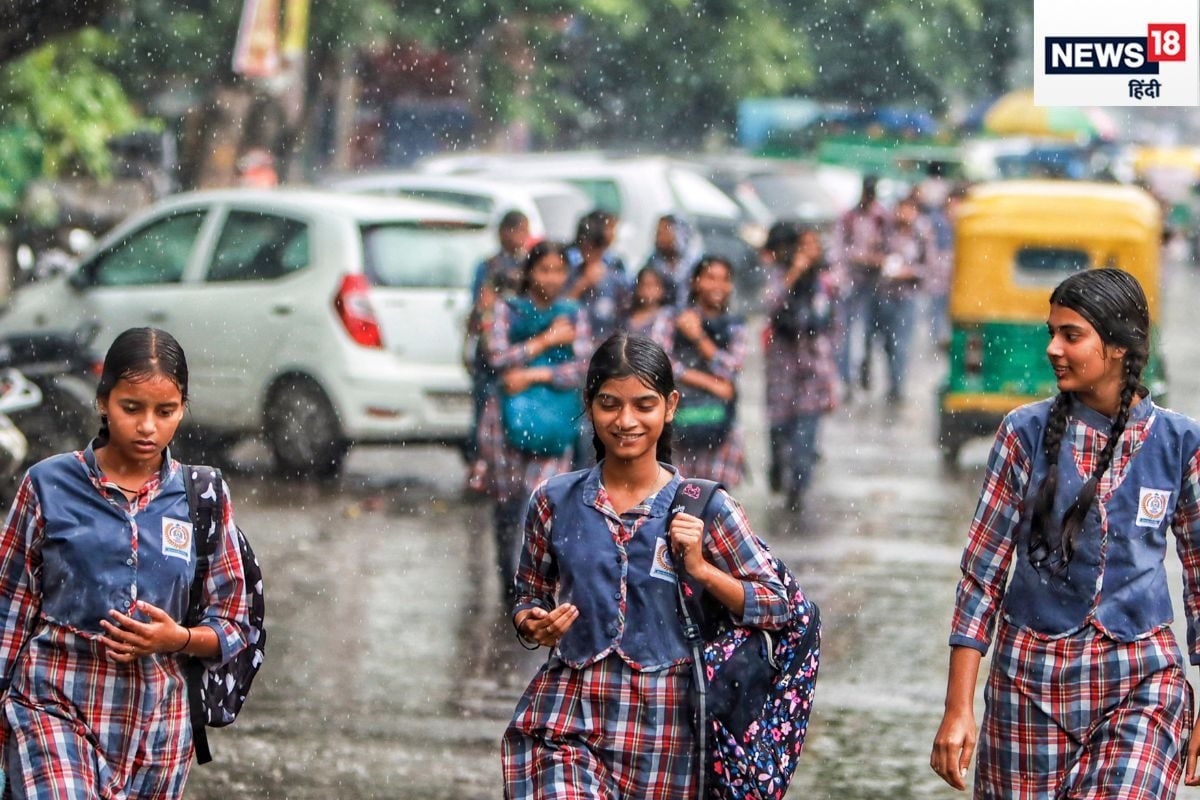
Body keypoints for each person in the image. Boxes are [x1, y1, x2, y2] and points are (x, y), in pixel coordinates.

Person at [931, 268, 1200, 798]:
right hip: (1027, 684)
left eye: (1071, 335)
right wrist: (958, 709)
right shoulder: (1021, 435)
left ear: (1120, 347)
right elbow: (982, 576)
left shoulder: (1180, 443)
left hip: (1141, 682)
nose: (1053, 348)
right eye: (1051, 332)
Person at [501, 332, 792, 799]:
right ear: (590, 405)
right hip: (570, 719)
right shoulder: (554, 500)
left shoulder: (705, 508)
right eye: (609, 405)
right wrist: (532, 623)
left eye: (644, 405)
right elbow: (529, 593)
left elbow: (777, 606)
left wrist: (701, 569)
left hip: (667, 732)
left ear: (671, 406)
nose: (626, 421)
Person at [0, 327, 250, 797]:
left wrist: (176, 638)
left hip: (158, 732)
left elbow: (235, 623)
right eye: (131, 408)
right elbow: (8, 610)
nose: (148, 427)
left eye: (166, 411)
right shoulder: (47, 485)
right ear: (102, 402)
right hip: (53, 708)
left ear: (183, 410)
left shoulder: (203, 497)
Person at [477, 241, 592, 600]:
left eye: (559, 270)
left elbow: (583, 366)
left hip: (555, 421)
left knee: (540, 503)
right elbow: (495, 356)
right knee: (508, 502)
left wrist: (531, 376)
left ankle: (532, 586)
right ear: (529, 273)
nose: (552, 278)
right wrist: (546, 340)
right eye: (544, 269)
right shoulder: (507, 311)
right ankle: (508, 581)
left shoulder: (573, 314)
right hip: (506, 423)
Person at [762, 228, 840, 514]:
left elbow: (834, 329)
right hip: (783, 367)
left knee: (806, 433)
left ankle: (797, 490)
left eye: (812, 247)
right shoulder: (780, 276)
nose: (807, 253)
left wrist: (832, 377)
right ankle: (778, 468)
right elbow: (769, 303)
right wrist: (793, 274)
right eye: (802, 246)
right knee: (780, 428)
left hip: (814, 369)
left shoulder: (826, 282)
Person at [669, 256, 747, 488]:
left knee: (716, 502)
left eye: (724, 280)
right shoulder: (674, 318)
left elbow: (732, 367)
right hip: (680, 421)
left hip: (720, 427)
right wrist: (710, 383)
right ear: (695, 282)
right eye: (710, 278)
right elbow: (660, 362)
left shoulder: (734, 324)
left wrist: (698, 338)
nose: (717, 286)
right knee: (678, 499)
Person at [465, 211, 531, 480]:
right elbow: (479, 306)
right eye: (513, 231)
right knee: (484, 406)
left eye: (521, 231)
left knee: (515, 404)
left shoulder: (531, 265)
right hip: (491, 345)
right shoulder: (489, 266)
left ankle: (513, 459)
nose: (517, 237)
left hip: (519, 344)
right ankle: (483, 463)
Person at [862, 194, 934, 405]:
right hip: (882, 294)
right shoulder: (885, 232)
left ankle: (897, 388)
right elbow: (869, 254)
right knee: (881, 343)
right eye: (901, 210)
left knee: (900, 345)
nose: (904, 214)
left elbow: (929, 268)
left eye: (909, 210)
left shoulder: (921, 236)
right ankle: (878, 380)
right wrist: (882, 262)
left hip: (906, 298)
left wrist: (908, 272)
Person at [833, 175, 889, 392]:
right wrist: (859, 257)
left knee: (869, 333)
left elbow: (889, 245)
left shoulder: (881, 218)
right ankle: (847, 379)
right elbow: (840, 248)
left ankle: (864, 372)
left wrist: (879, 259)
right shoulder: (849, 218)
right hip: (851, 281)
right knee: (846, 333)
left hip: (875, 284)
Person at [643, 214, 700, 307]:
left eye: (665, 231)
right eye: (658, 232)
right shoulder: (652, 263)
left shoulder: (694, 263)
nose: (659, 237)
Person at [624, 265, 674, 348]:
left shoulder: (667, 315)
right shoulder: (626, 316)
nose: (648, 290)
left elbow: (664, 347)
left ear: (662, 290)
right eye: (644, 285)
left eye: (653, 285)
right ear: (637, 288)